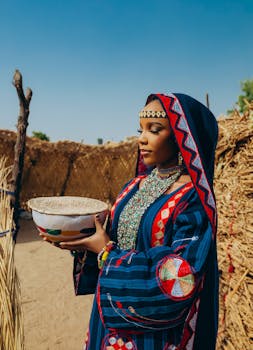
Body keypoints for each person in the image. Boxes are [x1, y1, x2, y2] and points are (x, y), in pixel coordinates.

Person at [57, 93, 219, 349]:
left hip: (152, 333)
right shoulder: (133, 186)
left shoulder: (192, 199)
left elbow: (182, 277)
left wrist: (106, 255)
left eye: (154, 130)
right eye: (140, 129)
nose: (142, 138)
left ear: (181, 136)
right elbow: (111, 237)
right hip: (108, 320)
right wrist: (76, 238)